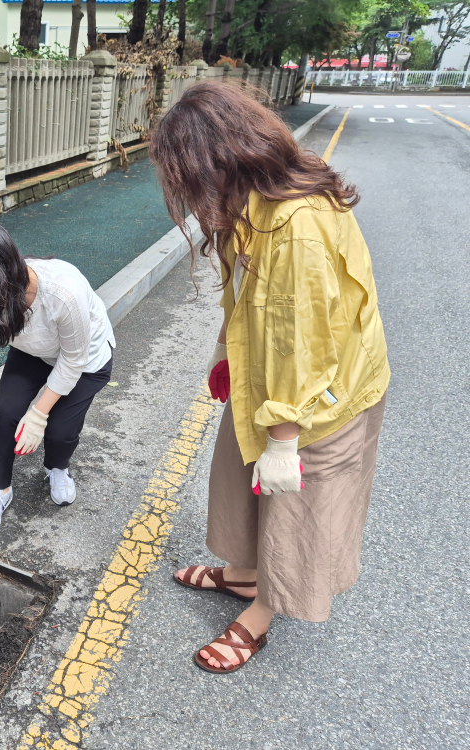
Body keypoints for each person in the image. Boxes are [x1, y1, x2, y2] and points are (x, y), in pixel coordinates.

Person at [151, 82, 390, 673]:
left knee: (291, 499)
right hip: (271, 376)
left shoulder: (293, 221)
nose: (187, 192)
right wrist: (222, 351)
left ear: (219, 160)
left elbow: (301, 340)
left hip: (319, 393)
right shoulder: (254, 196)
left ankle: (260, 612)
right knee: (243, 468)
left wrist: (285, 439)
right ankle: (243, 572)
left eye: (188, 176)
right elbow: (246, 297)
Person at [0, 223, 115, 534]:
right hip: (33, 353)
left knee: (60, 430)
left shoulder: (62, 292)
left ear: (2, 283)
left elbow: (73, 361)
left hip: (85, 361)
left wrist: (39, 413)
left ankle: (57, 467)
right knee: (5, 414)